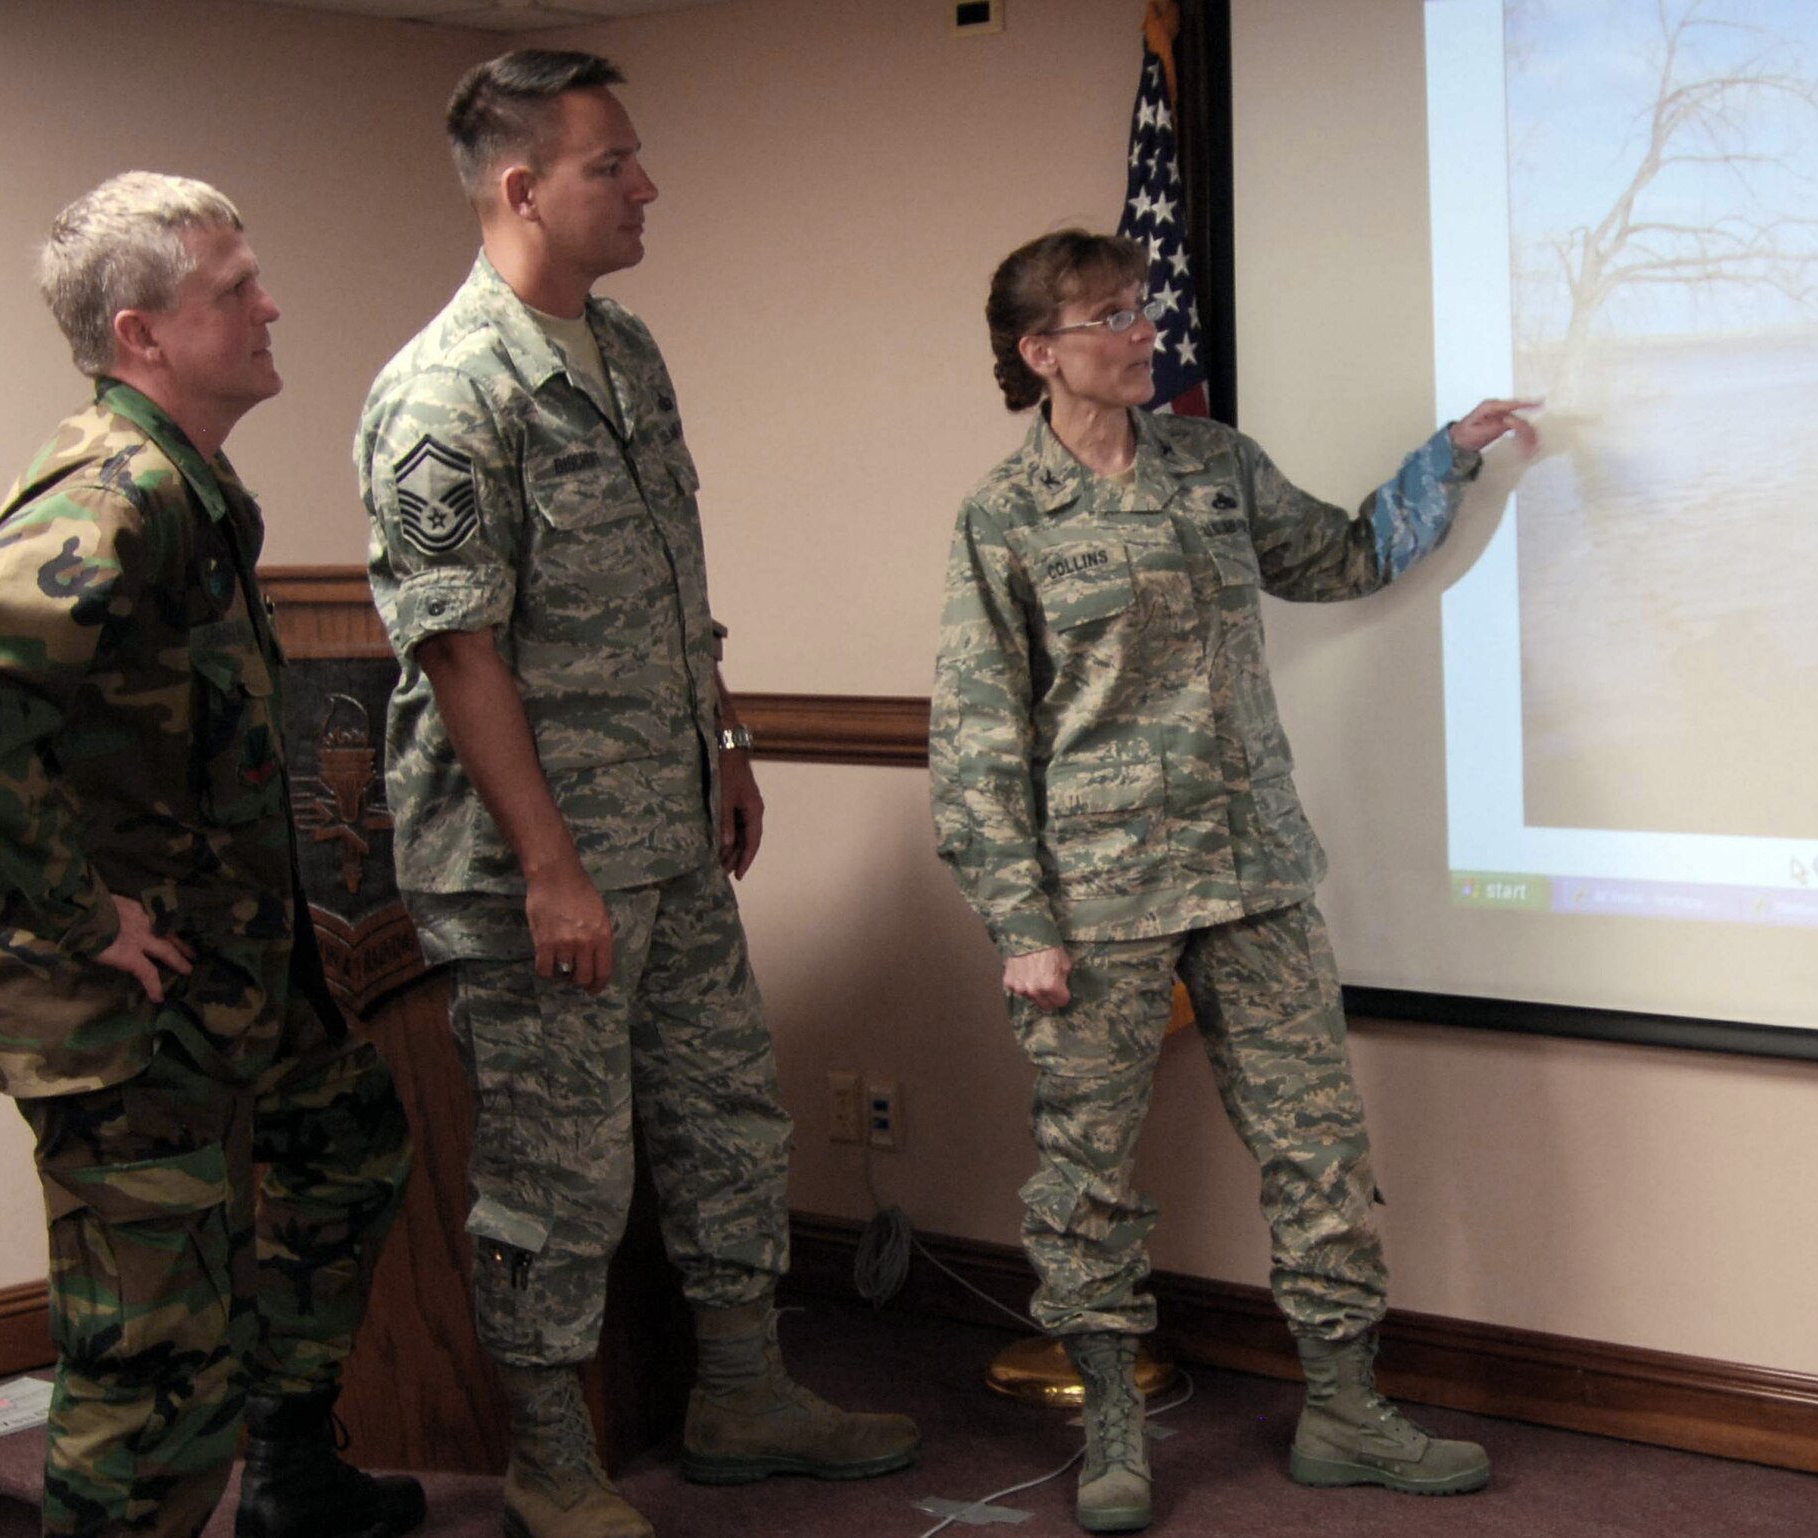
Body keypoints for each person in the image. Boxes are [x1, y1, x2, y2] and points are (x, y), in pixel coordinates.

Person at [356, 49, 919, 1538]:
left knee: (729, 1116)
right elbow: (459, 648)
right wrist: (549, 864)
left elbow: (675, 583)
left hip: (666, 827)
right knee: (556, 1166)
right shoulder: (443, 390)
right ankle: (549, 1456)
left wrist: (723, 741)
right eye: (615, 164)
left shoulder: (628, 349)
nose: (648, 185)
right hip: (540, 865)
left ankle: (741, 1393)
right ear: (522, 186)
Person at [929, 229, 1536, 1534]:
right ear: (1042, 353)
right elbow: (977, 739)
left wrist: (1451, 456)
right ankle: (1110, 1427)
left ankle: (1341, 1409)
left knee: (1320, 1147)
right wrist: (1020, 920)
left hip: (1254, 871)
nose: (1144, 330)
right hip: (1096, 903)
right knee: (1085, 1174)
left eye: (1141, 307)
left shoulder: (1215, 465)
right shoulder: (1004, 517)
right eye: (1110, 315)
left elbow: (1343, 555)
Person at [0, 173, 423, 1538]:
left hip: (230, 973)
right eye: (233, 289)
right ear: (142, 335)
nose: (269, 302)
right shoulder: (116, 485)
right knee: (152, 1358)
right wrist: (74, 913)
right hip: (127, 1014)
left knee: (346, 1142)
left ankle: (290, 1467)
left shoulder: (187, 481)